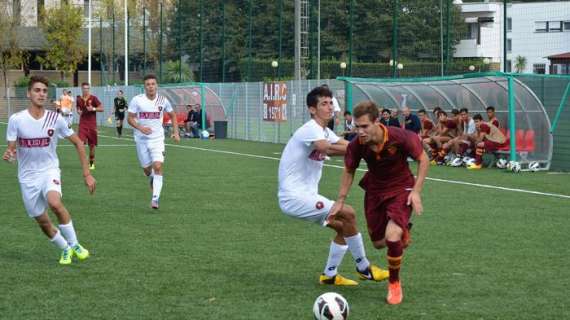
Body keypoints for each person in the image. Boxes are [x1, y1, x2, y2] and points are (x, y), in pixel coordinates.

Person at [278, 86, 389, 286]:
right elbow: (325, 147)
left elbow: (349, 146)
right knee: (349, 212)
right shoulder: (311, 128)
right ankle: (364, 268)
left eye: (331, 103)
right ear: (312, 109)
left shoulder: (324, 131)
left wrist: (374, 146)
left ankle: (329, 275)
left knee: (344, 227)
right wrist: (362, 149)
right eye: (324, 103)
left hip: (304, 196)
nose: (330, 107)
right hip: (294, 197)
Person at [330, 100, 429, 305]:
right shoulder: (358, 144)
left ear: (376, 122)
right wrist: (340, 200)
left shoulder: (400, 137)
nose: (360, 132)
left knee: (392, 236)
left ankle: (394, 284)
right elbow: (349, 170)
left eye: (365, 126)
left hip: (401, 188)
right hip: (375, 191)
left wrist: (417, 191)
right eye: (357, 127)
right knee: (378, 243)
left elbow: (423, 159)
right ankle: (403, 233)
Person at [3, 76, 96, 265]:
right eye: (37, 90)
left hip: (49, 171)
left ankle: (75, 243)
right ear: (29, 93)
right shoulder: (16, 120)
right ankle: (65, 248)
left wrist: (87, 173)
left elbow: (78, 143)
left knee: (54, 202)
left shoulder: (56, 118)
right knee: (43, 221)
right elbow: (11, 151)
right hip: (27, 177)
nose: (41, 94)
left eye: (44, 91)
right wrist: (10, 156)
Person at [127, 74, 180, 209]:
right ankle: (151, 177)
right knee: (146, 169)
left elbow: (173, 115)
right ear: (144, 87)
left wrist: (176, 132)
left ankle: (155, 198)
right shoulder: (137, 100)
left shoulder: (163, 100)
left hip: (157, 139)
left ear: (156, 86)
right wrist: (140, 127)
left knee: (157, 166)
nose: (151, 86)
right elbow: (130, 118)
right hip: (141, 140)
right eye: (148, 84)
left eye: (153, 84)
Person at [76, 82, 103, 170]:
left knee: (92, 147)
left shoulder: (94, 98)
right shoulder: (79, 99)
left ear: (89, 89)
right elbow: (78, 108)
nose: (86, 90)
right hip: (83, 124)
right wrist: (78, 111)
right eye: (84, 88)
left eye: (87, 88)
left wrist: (93, 108)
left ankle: (91, 162)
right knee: (80, 144)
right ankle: (85, 162)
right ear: (82, 89)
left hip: (92, 125)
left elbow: (102, 108)